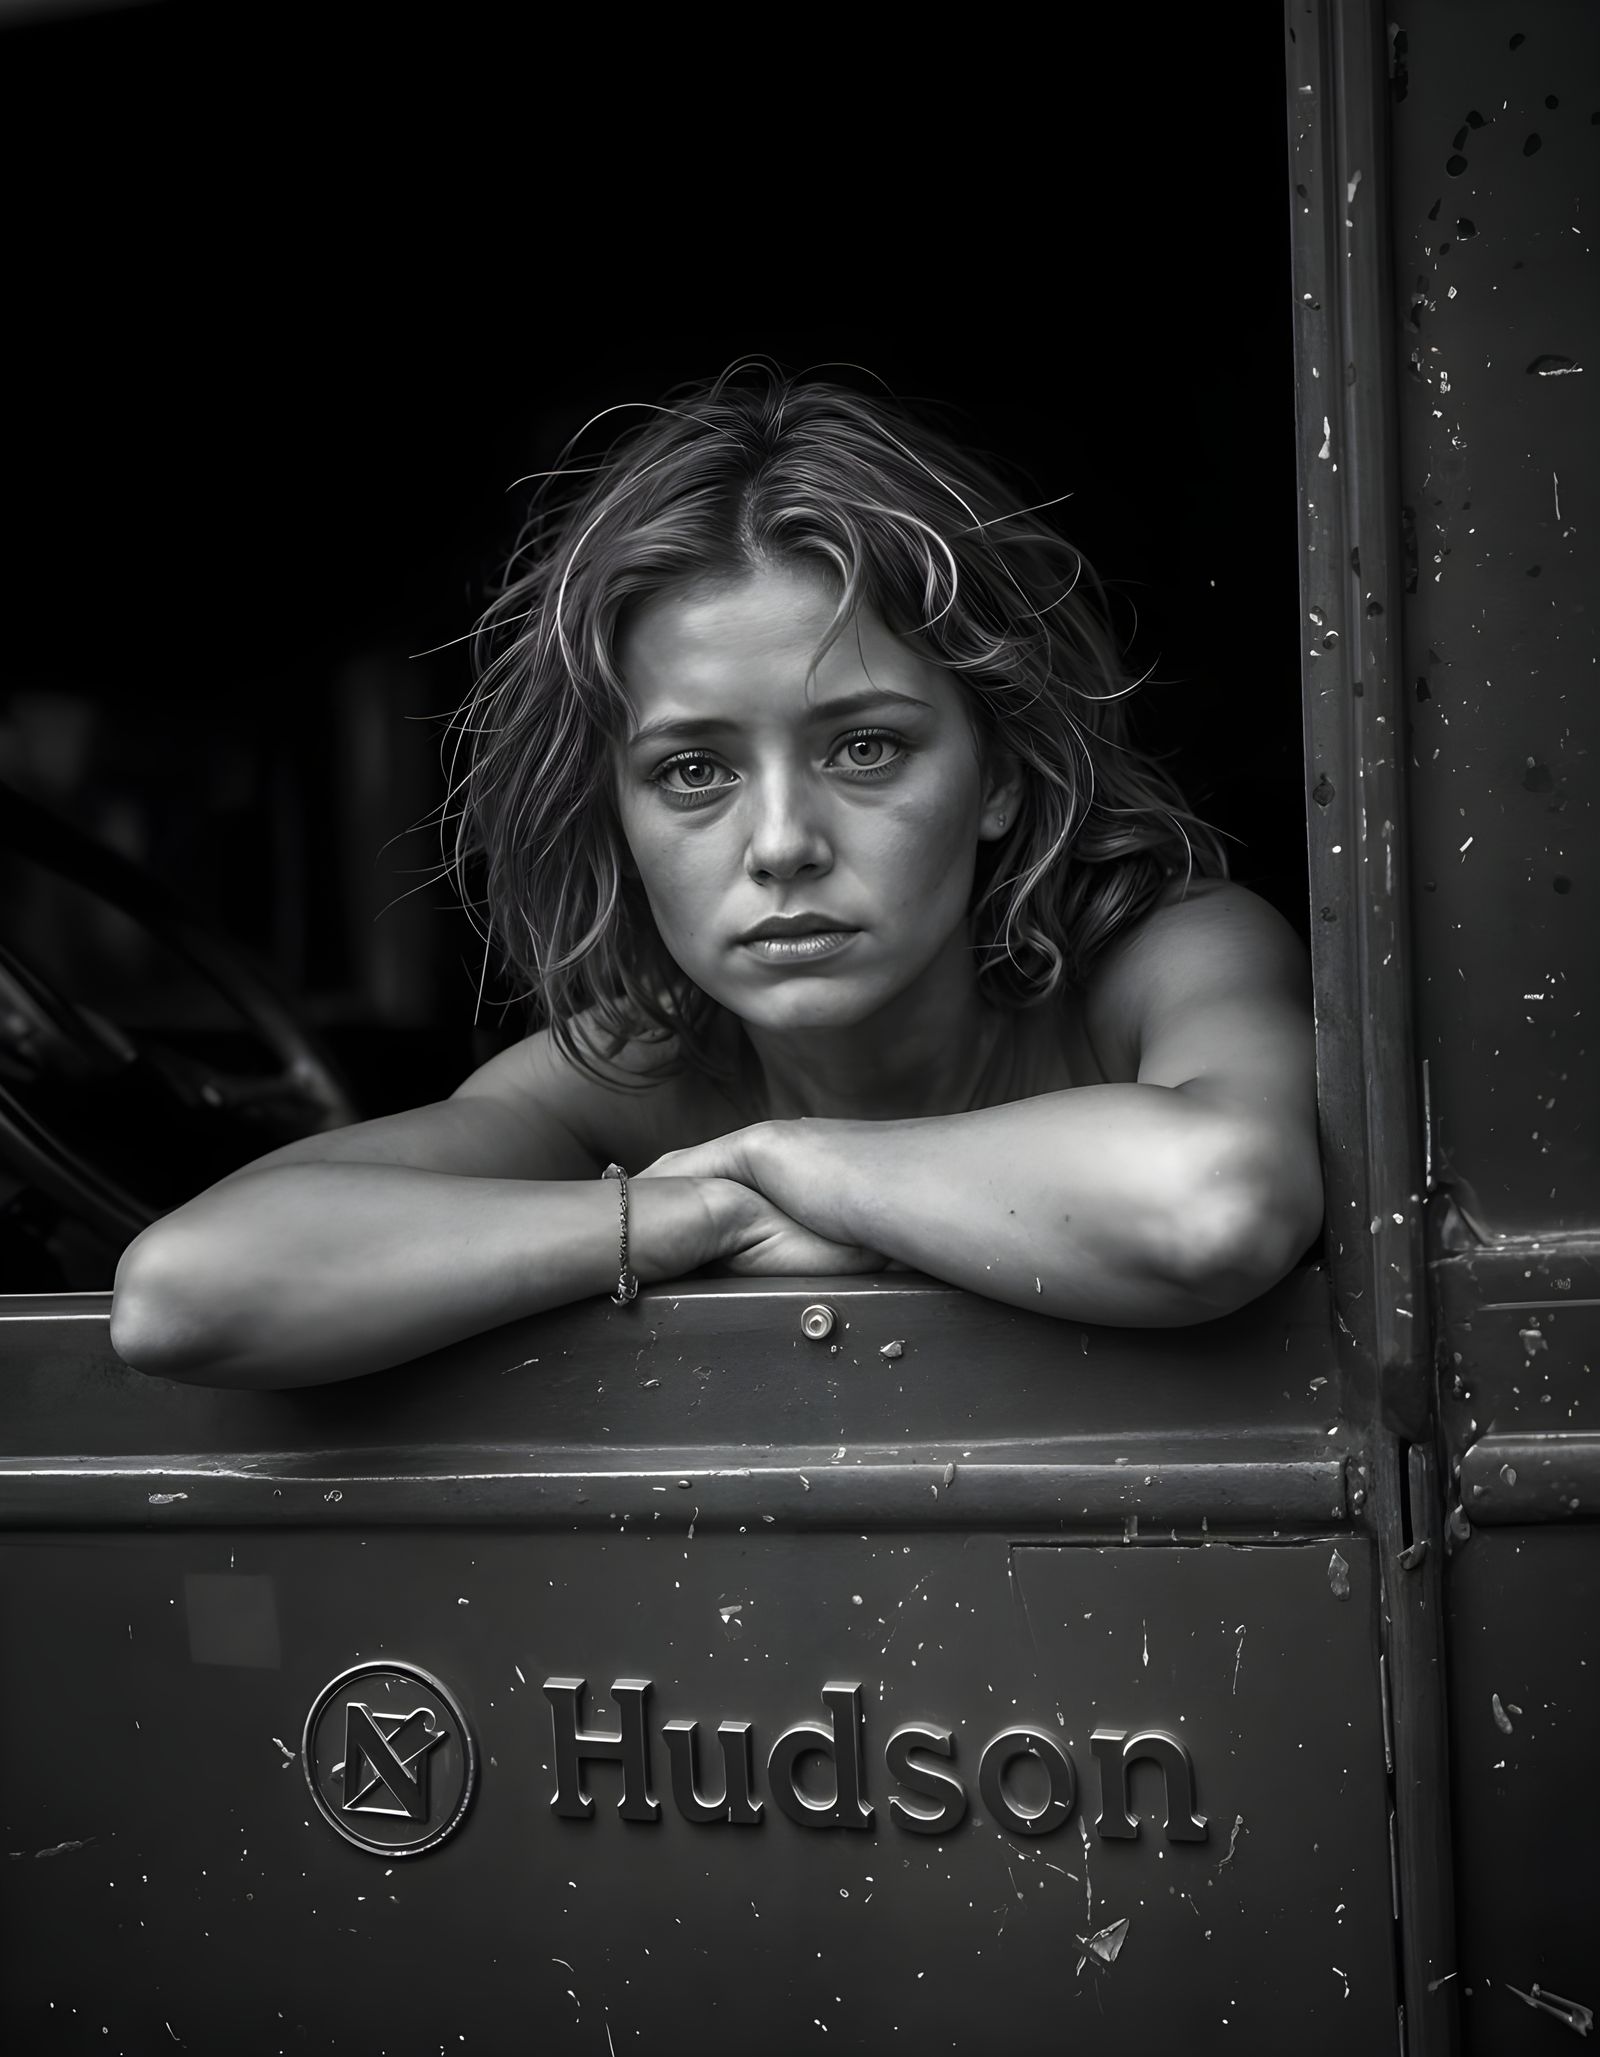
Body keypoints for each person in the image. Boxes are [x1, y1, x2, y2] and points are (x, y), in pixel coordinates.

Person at [108, 360, 1324, 1390]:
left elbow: (1213, 1204)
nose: (782, 840)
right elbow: (185, 1289)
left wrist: (784, 1159)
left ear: (998, 775)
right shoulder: (630, 1071)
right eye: (693, 770)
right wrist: (701, 1214)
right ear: (622, 813)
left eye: (865, 748)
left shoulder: (1165, 957)